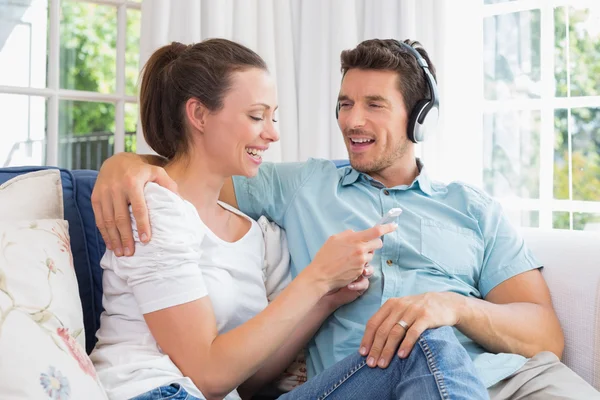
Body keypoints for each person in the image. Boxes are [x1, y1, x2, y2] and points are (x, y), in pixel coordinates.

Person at [93, 38, 600, 399]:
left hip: (510, 381)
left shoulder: (473, 207)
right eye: (344, 104)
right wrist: (124, 166)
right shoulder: (299, 185)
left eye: (374, 104)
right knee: (421, 340)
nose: (352, 120)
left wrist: (450, 306)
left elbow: (544, 335)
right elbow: (193, 167)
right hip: (374, 380)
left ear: (418, 117)